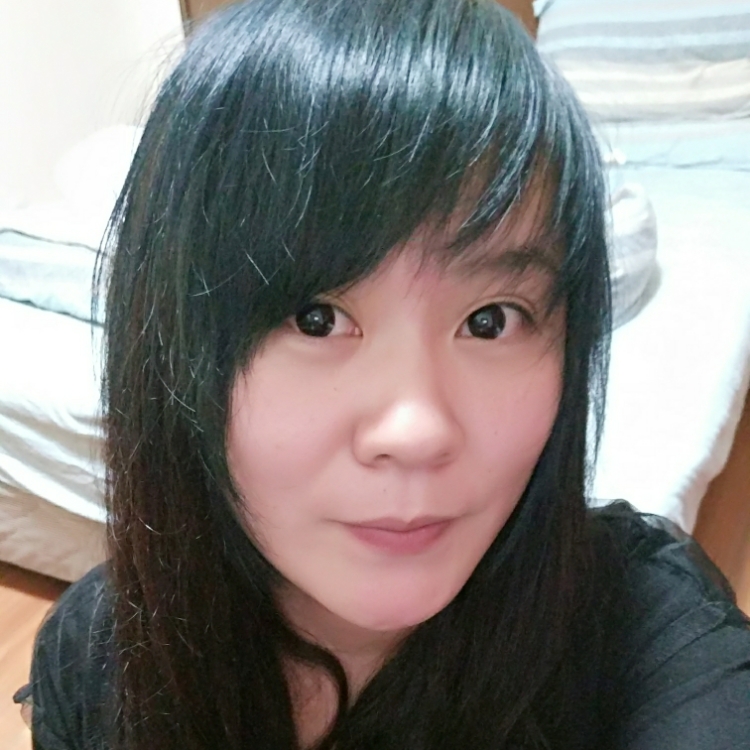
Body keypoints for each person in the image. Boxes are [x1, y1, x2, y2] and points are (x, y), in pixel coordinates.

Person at [16, 0, 750, 748]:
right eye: (316, 318)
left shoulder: (647, 642)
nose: (417, 431)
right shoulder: (98, 659)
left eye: (491, 320)